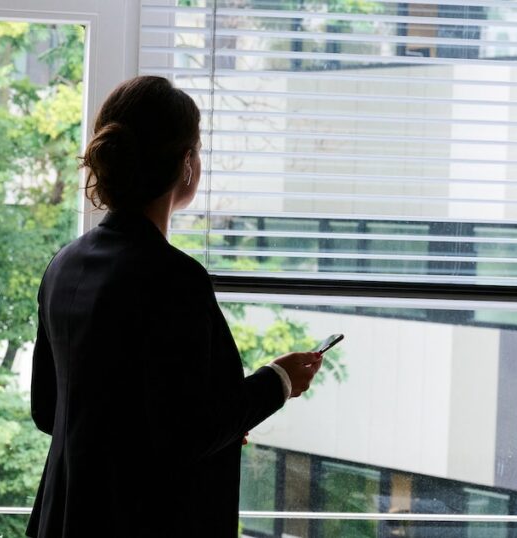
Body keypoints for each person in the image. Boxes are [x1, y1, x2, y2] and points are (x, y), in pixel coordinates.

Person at [25, 76, 322, 537]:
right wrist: (278, 381)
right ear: (187, 162)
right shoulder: (173, 279)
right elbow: (189, 431)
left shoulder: (63, 265)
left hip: (63, 519)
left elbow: (49, 411)